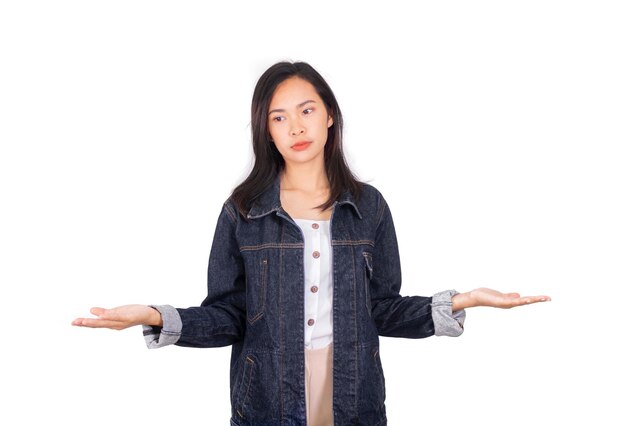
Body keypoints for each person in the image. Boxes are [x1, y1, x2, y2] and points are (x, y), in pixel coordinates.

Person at [72, 61, 551, 425]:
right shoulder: (243, 210)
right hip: (266, 398)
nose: (295, 127)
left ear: (329, 118)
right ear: (267, 130)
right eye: (279, 117)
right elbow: (227, 317)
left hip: (354, 394)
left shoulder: (370, 207)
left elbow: (381, 309)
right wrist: (156, 316)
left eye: (306, 110)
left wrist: (464, 300)